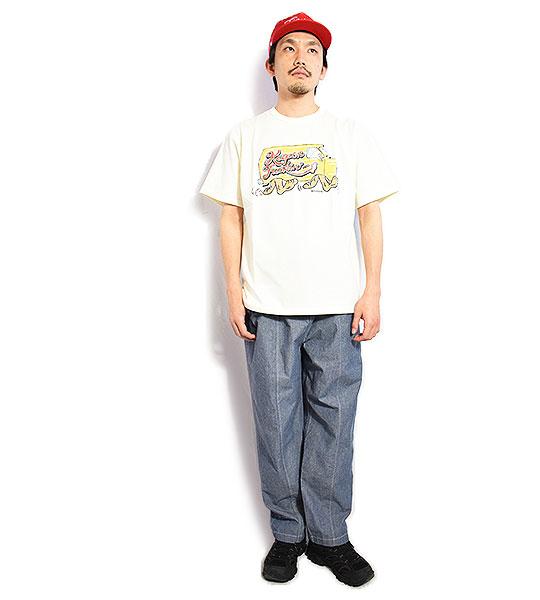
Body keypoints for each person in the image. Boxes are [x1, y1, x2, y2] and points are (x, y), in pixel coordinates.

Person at [200, 12, 399, 587]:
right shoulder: (246, 136)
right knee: (276, 423)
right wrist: (233, 292)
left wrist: (373, 290)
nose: (300, 58)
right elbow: (231, 217)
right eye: (288, 49)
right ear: (271, 65)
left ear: (324, 69)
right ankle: (288, 533)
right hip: (267, 306)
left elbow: (370, 214)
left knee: (335, 421)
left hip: (337, 307)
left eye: (312, 50)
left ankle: (330, 536)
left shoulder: (350, 135)